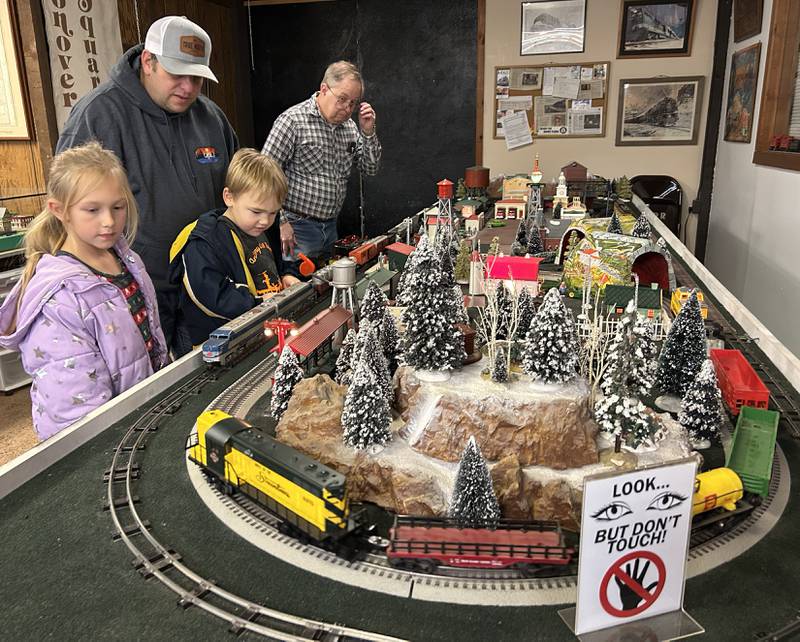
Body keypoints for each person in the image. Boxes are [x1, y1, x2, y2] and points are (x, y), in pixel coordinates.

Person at [56, 16, 238, 356]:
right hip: (133, 294)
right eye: (176, 74)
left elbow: (239, 190)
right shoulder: (98, 115)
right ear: (148, 61)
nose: (187, 87)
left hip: (203, 286)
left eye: (197, 78)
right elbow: (70, 215)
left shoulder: (211, 117)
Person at [0, 143, 168, 441]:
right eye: (92, 210)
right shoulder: (60, 297)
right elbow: (73, 405)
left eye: (118, 207)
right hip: (101, 438)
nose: (109, 221)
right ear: (60, 210)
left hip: (141, 414)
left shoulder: (126, 259)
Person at [168, 149, 301, 346]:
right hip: (224, 342)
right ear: (229, 197)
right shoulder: (204, 240)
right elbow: (211, 295)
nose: (265, 221)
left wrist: (286, 275)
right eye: (256, 211)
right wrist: (258, 304)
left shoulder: (264, 227)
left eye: (273, 212)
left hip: (267, 328)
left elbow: (274, 263)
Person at [261, 60, 381, 263]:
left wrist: (368, 133)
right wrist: (280, 223)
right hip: (296, 227)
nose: (347, 108)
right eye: (342, 99)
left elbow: (370, 168)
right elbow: (263, 175)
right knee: (298, 287)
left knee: (324, 288)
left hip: (331, 228)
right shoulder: (292, 121)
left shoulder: (350, 128)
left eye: (352, 103)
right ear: (324, 89)